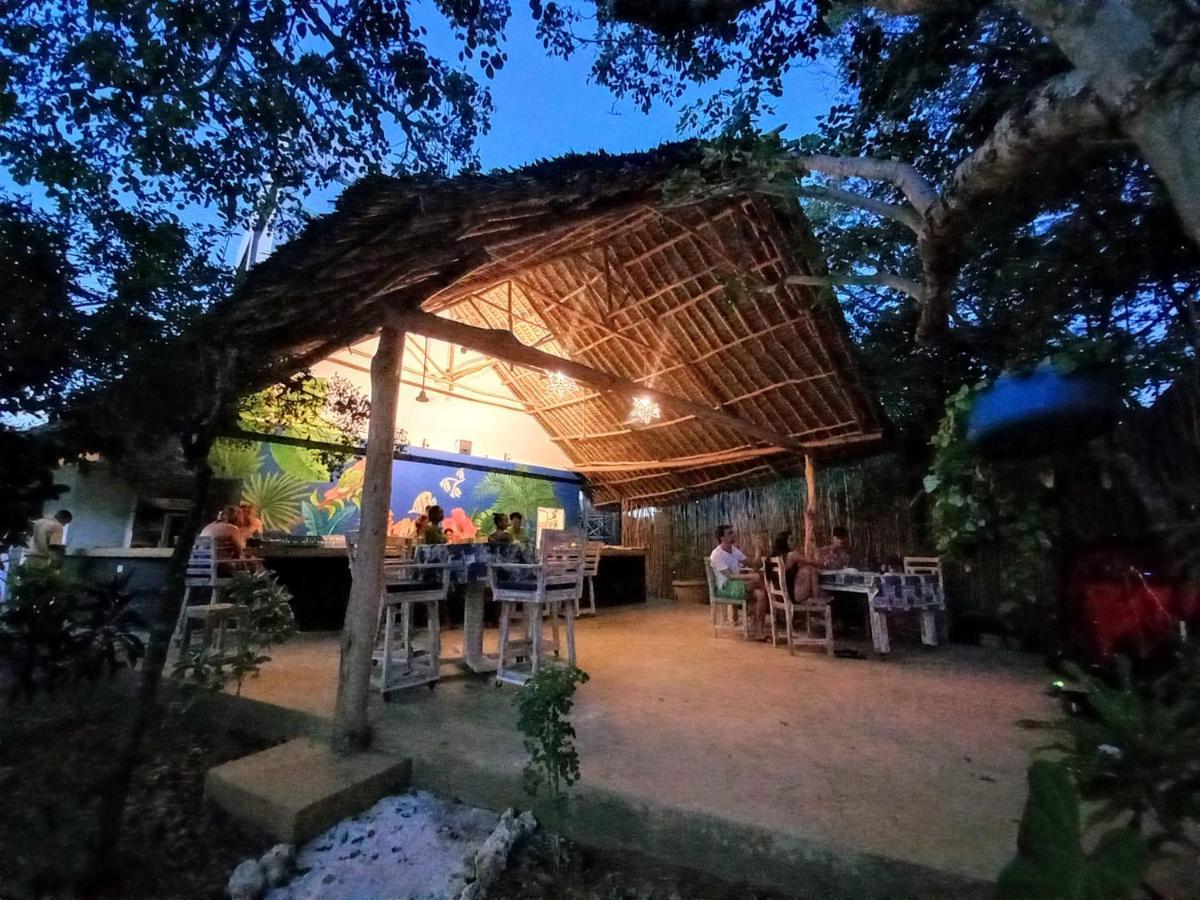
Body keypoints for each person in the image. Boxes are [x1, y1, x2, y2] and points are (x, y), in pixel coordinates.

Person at [709, 525, 768, 637]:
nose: (733, 535)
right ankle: (778, 606)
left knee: (761, 595)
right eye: (729, 533)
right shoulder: (717, 554)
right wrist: (751, 577)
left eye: (732, 532)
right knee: (760, 581)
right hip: (725, 588)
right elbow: (730, 576)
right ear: (722, 538)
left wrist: (758, 551)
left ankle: (759, 630)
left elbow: (754, 565)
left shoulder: (734, 551)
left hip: (738, 585)